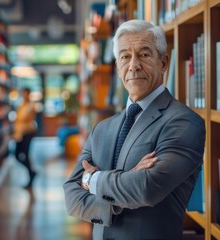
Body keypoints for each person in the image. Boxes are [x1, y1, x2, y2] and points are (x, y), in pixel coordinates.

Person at [63, 19, 206, 239]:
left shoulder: (184, 122)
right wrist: (117, 201)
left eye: (144, 54)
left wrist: (92, 181)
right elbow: (72, 194)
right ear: (118, 66)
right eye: (125, 56)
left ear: (164, 63)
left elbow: (147, 188)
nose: (133, 65)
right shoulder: (102, 129)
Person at [13, 87, 37, 188]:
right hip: (19, 133)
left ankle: (31, 175)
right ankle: (31, 172)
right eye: (22, 93)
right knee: (17, 154)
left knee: (25, 154)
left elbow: (25, 118)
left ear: (29, 94)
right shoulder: (21, 105)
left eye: (25, 93)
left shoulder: (31, 106)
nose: (23, 95)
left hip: (27, 132)